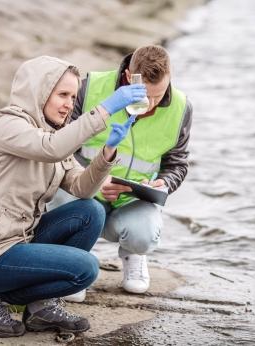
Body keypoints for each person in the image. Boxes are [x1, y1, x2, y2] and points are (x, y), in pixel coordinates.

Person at [0, 55, 146, 338]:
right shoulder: (9, 124)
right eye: (62, 94)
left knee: (91, 212)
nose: (68, 104)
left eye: (73, 96)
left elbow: (82, 188)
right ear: (39, 91)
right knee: (85, 270)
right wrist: (106, 108)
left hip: (17, 241)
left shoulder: (55, 134)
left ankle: (41, 307)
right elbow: (50, 149)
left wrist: (108, 152)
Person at [48, 45, 192, 297]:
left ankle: (134, 255)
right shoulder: (88, 87)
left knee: (144, 235)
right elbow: (59, 144)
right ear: (128, 77)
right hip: (81, 191)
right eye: (146, 96)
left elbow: (177, 163)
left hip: (133, 201)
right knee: (57, 196)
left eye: (159, 95)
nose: (151, 104)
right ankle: (73, 260)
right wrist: (94, 178)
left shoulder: (181, 106)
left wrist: (164, 183)